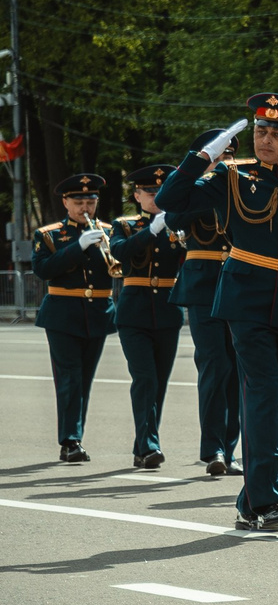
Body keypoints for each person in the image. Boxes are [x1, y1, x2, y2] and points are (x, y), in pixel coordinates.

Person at [156, 95, 278, 532]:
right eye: (261, 130)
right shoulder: (230, 175)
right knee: (261, 397)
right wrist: (202, 156)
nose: (266, 139)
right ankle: (268, 501)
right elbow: (170, 200)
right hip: (246, 303)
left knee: (276, 405)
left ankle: (249, 502)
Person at [168, 129, 240, 477]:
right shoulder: (198, 191)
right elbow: (172, 217)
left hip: (241, 285)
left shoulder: (244, 189)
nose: (225, 163)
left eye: (228, 157)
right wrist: (203, 179)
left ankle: (230, 447)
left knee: (241, 369)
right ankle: (213, 448)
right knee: (215, 365)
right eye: (218, 157)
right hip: (203, 286)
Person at [34, 171, 117, 463]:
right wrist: (78, 247)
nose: (86, 208)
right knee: (69, 378)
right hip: (62, 314)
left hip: (97, 313)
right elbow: (43, 269)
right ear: (66, 203)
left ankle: (75, 435)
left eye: (91, 201)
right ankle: (70, 441)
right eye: (79, 201)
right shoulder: (49, 234)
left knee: (85, 379)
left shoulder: (109, 231)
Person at [108, 163, 187, 470]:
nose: (155, 197)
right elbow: (121, 252)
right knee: (145, 380)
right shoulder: (124, 225)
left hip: (167, 311)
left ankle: (144, 447)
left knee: (160, 384)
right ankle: (151, 444)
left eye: (160, 192)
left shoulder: (178, 226)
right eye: (149, 192)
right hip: (134, 312)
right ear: (137, 195)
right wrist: (150, 231)